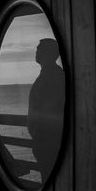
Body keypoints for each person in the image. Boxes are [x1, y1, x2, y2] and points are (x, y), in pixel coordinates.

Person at [27, 38, 65, 183]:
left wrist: (37, 131)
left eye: (39, 49)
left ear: (48, 53)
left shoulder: (53, 76)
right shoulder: (50, 74)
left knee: (49, 180)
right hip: (44, 139)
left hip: (48, 140)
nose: (36, 52)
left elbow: (51, 106)